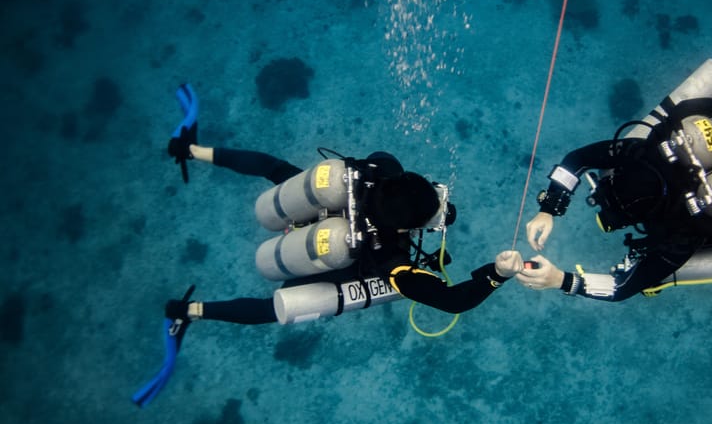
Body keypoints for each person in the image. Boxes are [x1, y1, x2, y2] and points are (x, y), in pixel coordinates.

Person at [133, 84, 520, 406]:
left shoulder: (382, 171)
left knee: (276, 170)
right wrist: (497, 275)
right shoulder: (392, 259)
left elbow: (381, 158)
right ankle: (187, 311)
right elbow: (454, 301)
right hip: (330, 253)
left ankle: (189, 150)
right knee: (277, 309)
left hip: (310, 210)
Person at [512, 35, 712, 302]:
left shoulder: (683, 230)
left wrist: (559, 279)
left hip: (704, 200)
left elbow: (625, 287)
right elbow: (577, 159)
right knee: (672, 122)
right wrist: (548, 211)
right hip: (691, 168)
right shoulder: (642, 152)